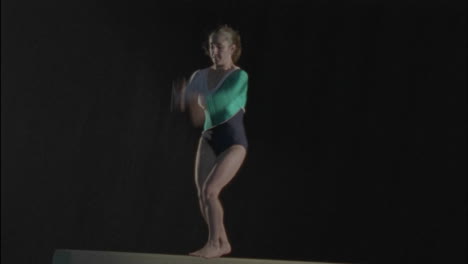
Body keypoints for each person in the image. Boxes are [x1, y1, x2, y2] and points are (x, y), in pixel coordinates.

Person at [172, 25, 249, 258]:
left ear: (232, 48)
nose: (215, 51)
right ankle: (222, 242)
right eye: (212, 46)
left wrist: (192, 96)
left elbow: (222, 102)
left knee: (211, 190)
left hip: (234, 142)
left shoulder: (239, 76)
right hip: (208, 139)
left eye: (220, 46)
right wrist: (185, 102)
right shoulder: (199, 76)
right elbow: (197, 118)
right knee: (202, 194)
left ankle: (214, 243)